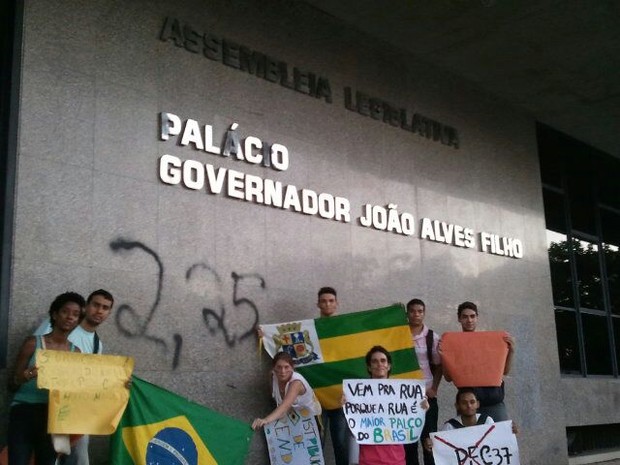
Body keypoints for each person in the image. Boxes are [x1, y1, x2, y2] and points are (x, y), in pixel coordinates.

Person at [33, 289, 114, 465]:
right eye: (96, 305)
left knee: (78, 459)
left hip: (76, 411)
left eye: (105, 308)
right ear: (86, 307)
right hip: (45, 406)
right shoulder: (56, 325)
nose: (99, 311)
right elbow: (36, 353)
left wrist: (119, 382)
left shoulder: (96, 344)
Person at [8, 292, 85, 465]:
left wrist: (119, 383)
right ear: (55, 314)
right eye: (65, 312)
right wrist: (28, 375)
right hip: (24, 412)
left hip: (55, 416)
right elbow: (12, 382)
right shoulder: (33, 344)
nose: (70, 317)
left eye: (75, 315)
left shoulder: (76, 352)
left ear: (78, 321)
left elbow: (80, 388)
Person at [443, 301, 516, 421]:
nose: (469, 320)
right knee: (467, 439)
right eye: (465, 317)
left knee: (499, 438)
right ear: (459, 319)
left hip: (493, 400)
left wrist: (511, 351)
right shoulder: (453, 344)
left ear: (477, 318)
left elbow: (504, 372)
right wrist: (443, 356)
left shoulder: (491, 343)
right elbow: (448, 377)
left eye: (472, 316)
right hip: (468, 404)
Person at [404, 299, 441, 465]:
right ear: (407, 313)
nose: (416, 314)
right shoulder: (397, 334)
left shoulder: (432, 337)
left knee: (429, 443)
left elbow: (439, 365)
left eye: (420, 311)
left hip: (427, 396)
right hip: (403, 398)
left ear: (424, 313)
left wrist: (434, 388)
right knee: (408, 444)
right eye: (412, 311)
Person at [316, 287, 351, 465]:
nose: (327, 304)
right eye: (324, 301)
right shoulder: (311, 328)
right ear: (318, 304)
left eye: (331, 301)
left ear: (337, 304)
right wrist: (266, 335)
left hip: (340, 396)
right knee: (316, 443)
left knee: (340, 442)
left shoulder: (346, 328)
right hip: (317, 396)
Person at [358, 346, 406, 465]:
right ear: (369, 367)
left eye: (383, 360)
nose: (379, 364)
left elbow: (411, 422)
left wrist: (422, 408)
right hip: (368, 460)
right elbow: (353, 427)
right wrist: (346, 407)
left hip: (396, 459)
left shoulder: (403, 393)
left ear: (389, 366)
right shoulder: (358, 394)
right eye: (374, 361)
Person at [251, 352, 322, 430]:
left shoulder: (296, 382)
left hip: (310, 420)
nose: (283, 371)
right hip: (290, 419)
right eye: (279, 367)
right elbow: (276, 398)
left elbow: (284, 406)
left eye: (286, 367)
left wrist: (265, 420)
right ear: (274, 368)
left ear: (292, 368)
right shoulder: (272, 376)